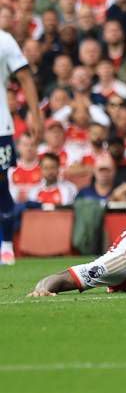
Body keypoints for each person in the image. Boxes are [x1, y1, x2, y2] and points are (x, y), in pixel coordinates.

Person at [0, 27, 43, 265]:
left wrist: (35, 115)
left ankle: (6, 245)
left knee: (0, 182)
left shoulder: (4, 40)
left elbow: (25, 77)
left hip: (0, 125)